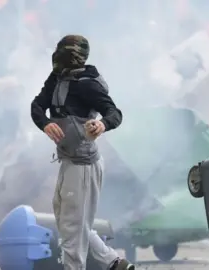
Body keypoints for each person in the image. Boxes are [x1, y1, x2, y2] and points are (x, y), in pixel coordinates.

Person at [30, 35, 134, 270]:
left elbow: (113, 112)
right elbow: (37, 105)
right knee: (71, 223)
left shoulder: (88, 83)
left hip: (84, 165)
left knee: (72, 229)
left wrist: (102, 125)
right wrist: (45, 123)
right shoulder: (57, 78)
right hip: (68, 161)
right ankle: (114, 263)